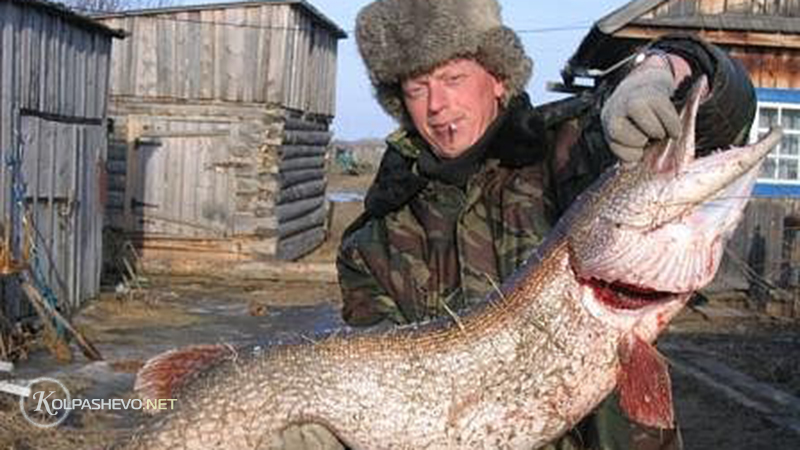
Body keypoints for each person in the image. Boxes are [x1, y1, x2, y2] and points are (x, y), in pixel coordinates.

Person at [281, 0, 756, 448]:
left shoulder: (578, 147)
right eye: (416, 89)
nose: (436, 104)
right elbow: (387, 393)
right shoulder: (374, 241)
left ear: (498, 78)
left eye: (452, 78)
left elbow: (727, 116)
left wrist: (659, 70)